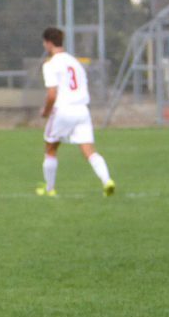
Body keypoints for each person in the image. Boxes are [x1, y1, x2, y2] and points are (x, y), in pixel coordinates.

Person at [37, 27, 115, 197]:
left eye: (44, 43)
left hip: (63, 110)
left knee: (51, 148)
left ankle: (50, 189)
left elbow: (52, 94)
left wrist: (45, 112)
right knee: (89, 150)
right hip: (82, 110)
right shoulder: (75, 62)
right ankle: (107, 180)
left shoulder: (50, 64)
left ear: (49, 43)